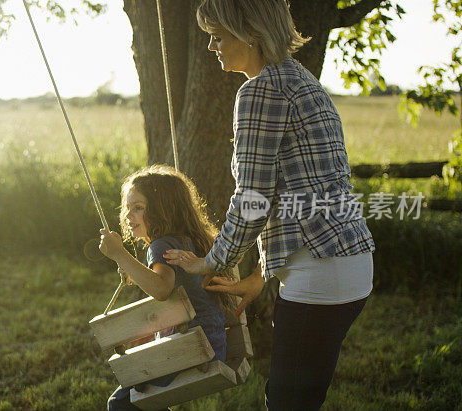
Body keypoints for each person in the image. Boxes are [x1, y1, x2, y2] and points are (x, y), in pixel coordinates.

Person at [163, 0, 376, 410]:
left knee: (286, 403)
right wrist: (263, 274)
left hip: (319, 275)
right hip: (349, 265)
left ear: (252, 34)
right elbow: (302, 193)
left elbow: (254, 199)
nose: (212, 46)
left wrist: (212, 260)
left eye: (219, 35)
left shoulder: (259, 91)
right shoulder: (303, 82)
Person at [98, 165, 228, 411]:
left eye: (138, 208)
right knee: (149, 400)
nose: (128, 215)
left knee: (121, 402)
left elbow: (161, 288)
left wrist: (119, 255)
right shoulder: (192, 241)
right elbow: (168, 281)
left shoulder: (160, 245)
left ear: (163, 210)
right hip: (212, 344)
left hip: (191, 348)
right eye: (128, 208)